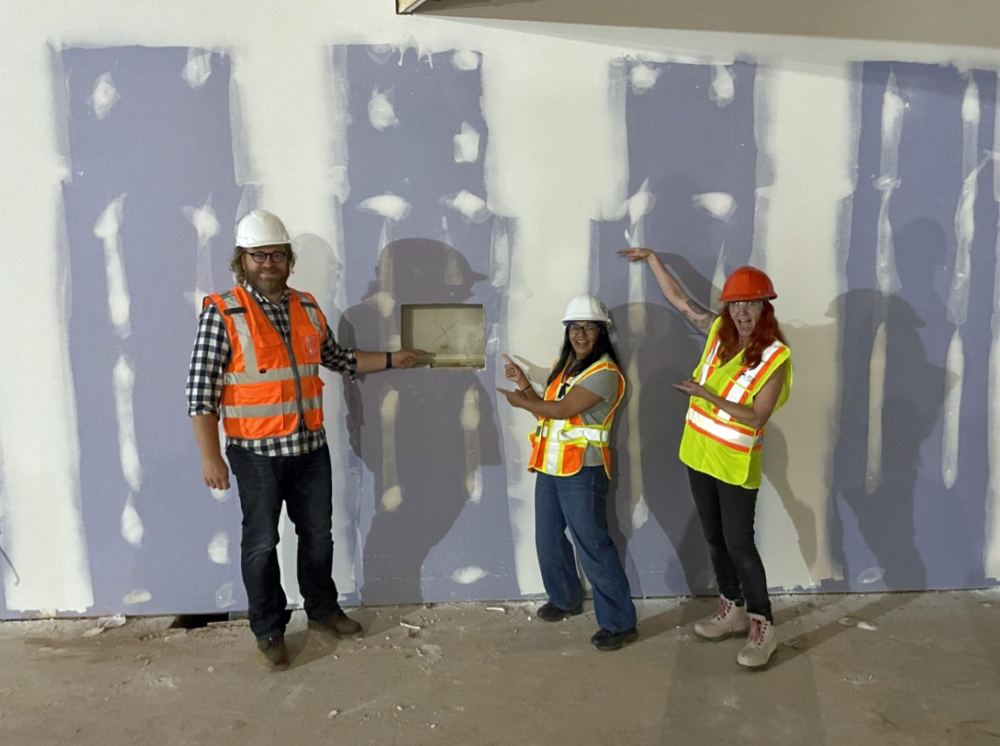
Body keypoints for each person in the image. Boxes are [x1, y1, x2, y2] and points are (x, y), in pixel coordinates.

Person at [187, 209, 423, 671]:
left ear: (288, 260)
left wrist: (394, 358)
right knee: (260, 543)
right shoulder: (224, 312)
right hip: (255, 454)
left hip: (309, 448)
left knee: (318, 535)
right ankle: (268, 627)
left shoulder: (307, 307)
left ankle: (322, 609)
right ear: (242, 260)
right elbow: (200, 393)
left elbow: (338, 358)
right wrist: (210, 456)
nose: (268, 263)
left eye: (276, 254)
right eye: (258, 255)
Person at [619, 249, 792, 668]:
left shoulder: (774, 358)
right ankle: (731, 608)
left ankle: (761, 624)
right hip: (698, 455)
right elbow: (681, 301)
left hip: (734, 466)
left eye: (750, 304)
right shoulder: (719, 333)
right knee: (714, 539)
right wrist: (655, 261)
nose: (742, 313)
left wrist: (706, 395)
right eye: (735, 305)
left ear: (764, 307)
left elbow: (756, 416)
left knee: (740, 545)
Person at [497, 294, 637, 651]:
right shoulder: (565, 367)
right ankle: (564, 599)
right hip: (550, 467)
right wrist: (525, 385)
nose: (581, 334)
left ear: (601, 332)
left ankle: (619, 623)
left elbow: (560, 410)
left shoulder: (605, 374)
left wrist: (522, 400)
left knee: (593, 545)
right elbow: (548, 411)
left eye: (589, 327)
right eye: (575, 327)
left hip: (583, 471)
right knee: (548, 538)